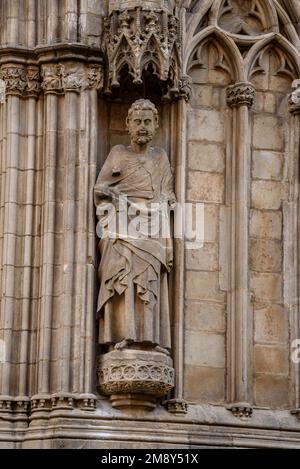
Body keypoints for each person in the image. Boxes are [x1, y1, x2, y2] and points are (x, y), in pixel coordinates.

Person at [94, 99, 176, 354]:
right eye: (138, 121)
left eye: (148, 122)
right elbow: (100, 189)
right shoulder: (118, 153)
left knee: (149, 281)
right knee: (124, 277)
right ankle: (123, 334)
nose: (142, 127)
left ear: (156, 125)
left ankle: (151, 338)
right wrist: (119, 199)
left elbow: (166, 193)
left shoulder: (160, 157)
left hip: (152, 225)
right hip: (121, 225)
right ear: (128, 124)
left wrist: (164, 204)